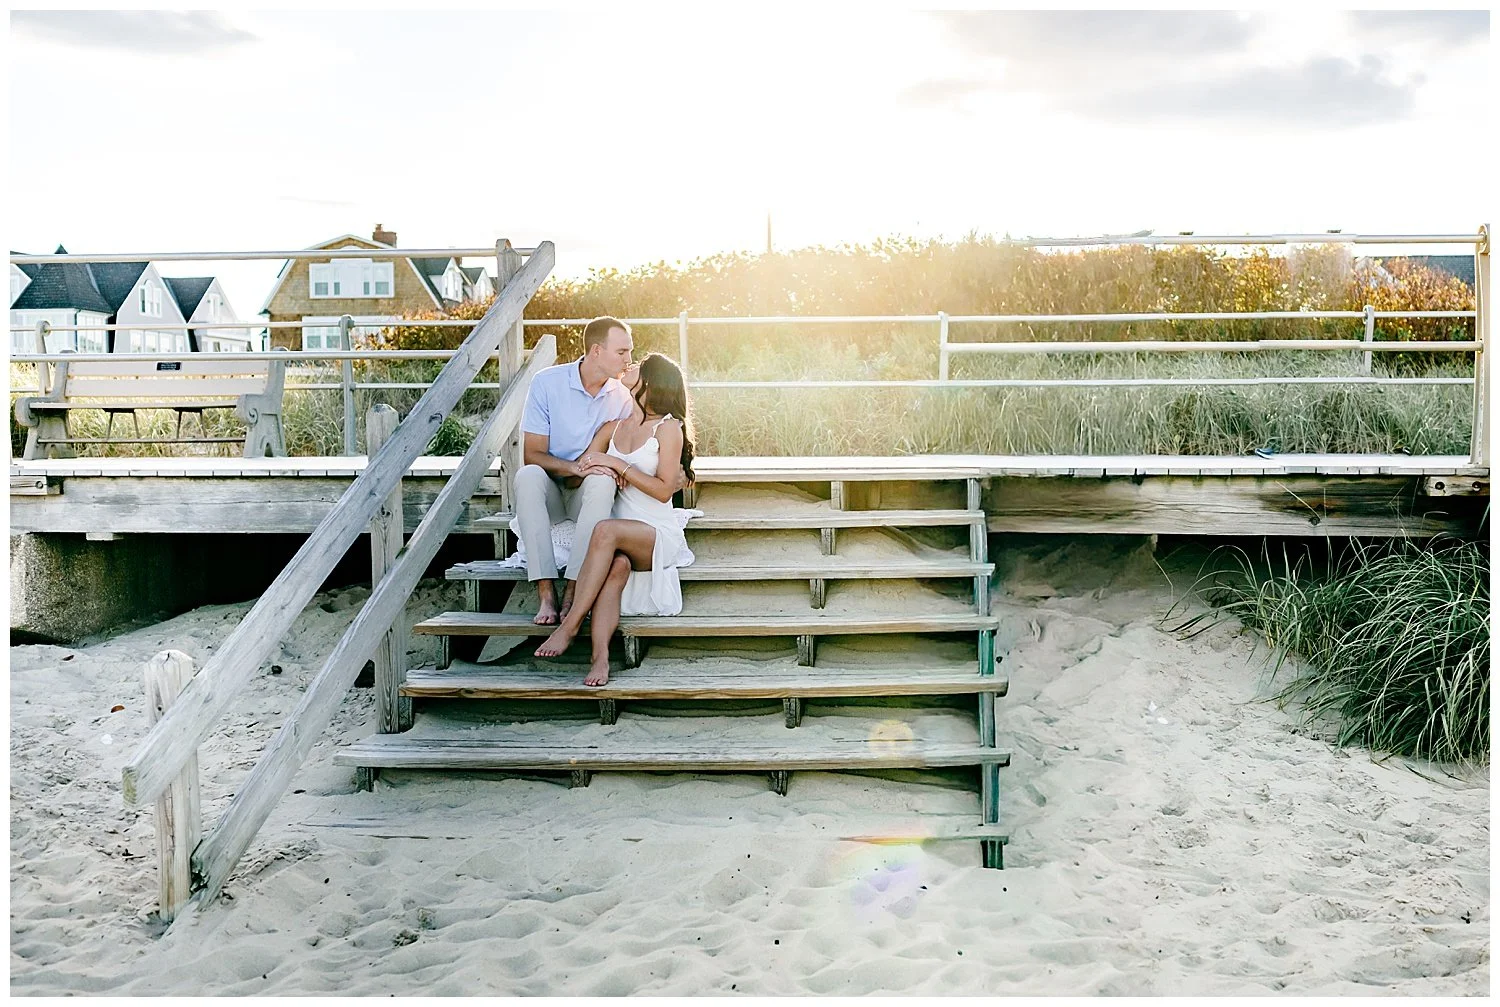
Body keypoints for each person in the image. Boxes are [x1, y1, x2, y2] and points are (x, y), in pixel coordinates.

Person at [534, 352, 697, 686]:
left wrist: (618, 465)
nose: (630, 365)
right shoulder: (613, 427)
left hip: (654, 534)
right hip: (619, 535)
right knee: (616, 567)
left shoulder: (668, 429)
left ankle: (570, 625)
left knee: (605, 530)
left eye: (639, 366)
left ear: (650, 383)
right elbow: (578, 474)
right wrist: (598, 465)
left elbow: (665, 491)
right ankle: (600, 659)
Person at [514, 316, 639, 626]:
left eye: (630, 352)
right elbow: (532, 454)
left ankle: (573, 589)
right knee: (526, 476)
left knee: (600, 480)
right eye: (622, 352)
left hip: (588, 493)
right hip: (552, 491)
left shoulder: (623, 396)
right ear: (596, 351)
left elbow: (636, 442)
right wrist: (574, 467)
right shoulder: (547, 382)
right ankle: (546, 592)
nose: (629, 360)